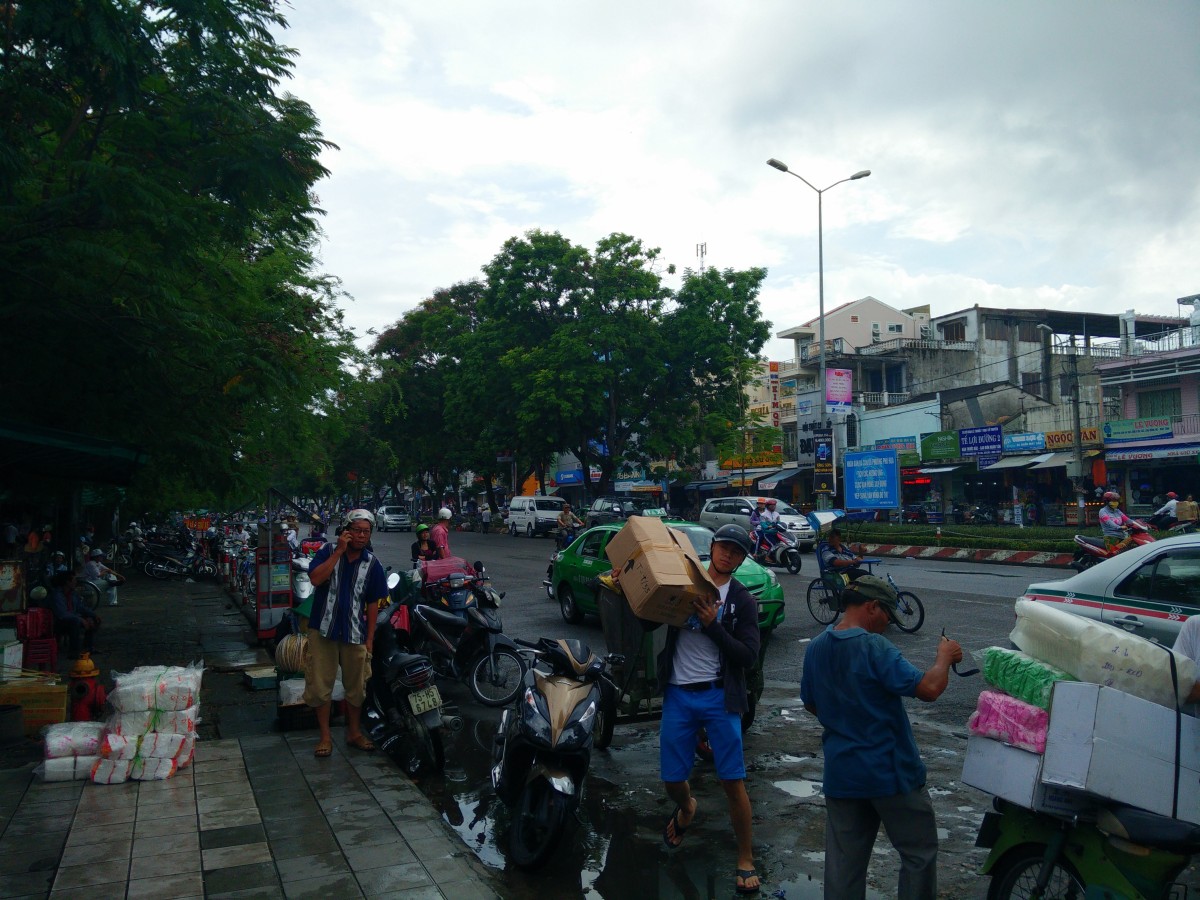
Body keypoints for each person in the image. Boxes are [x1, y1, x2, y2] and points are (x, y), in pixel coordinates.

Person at [801, 574, 963, 899]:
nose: (888, 622)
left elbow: (811, 703)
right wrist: (944, 658)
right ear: (872, 606)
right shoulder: (873, 646)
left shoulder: (817, 647)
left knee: (844, 869)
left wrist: (846, 720)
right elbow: (930, 688)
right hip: (891, 773)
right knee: (918, 854)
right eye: (887, 613)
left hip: (842, 774)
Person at [639, 524, 762, 896]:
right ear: (713, 546)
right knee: (672, 779)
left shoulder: (741, 601)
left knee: (732, 781)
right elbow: (648, 620)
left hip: (719, 697)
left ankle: (745, 857)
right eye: (723, 547)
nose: (727, 554)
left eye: (736, 552)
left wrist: (712, 625)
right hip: (679, 694)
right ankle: (687, 806)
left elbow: (748, 656)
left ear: (741, 560)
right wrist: (628, 586)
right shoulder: (685, 581)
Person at [304, 509, 388, 758]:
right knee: (320, 685)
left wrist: (370, 638)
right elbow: (316, 579)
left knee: (357, 686)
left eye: (366, 532)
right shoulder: (327, 551)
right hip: (323, 629)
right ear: (346, 531)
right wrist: (339, 551)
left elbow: (372, 603)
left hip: (355, 632)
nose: (361, 536)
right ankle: (325, 737)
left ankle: (354, 732)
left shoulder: (372, 564)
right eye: (357, 530)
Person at [50, 571, 101, 658]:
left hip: (72, 618)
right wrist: (80, 619)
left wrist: (93, 615)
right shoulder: (57, 595)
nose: (76, 582)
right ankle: (74, 652)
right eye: (74, 580)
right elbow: (62, 614)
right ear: (67, 582)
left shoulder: (72, 594)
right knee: (75, 622)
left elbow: (80, 607)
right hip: (58, 622)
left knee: (92, 619)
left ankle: (88, 648)